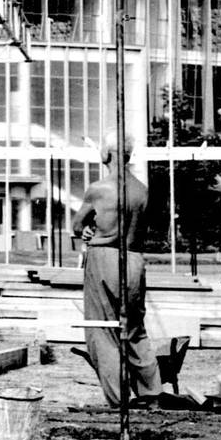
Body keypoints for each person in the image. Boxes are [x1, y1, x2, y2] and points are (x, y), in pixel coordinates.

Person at [70, 134, 162, 409]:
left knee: (103, 330)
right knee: (134, 328)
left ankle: (118, 399)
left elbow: (77, 226)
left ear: (106, 154)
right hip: (134, 259)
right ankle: (151, 392)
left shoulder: (99, 189)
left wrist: (86, 229)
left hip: (105, 258)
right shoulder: (142, 190)